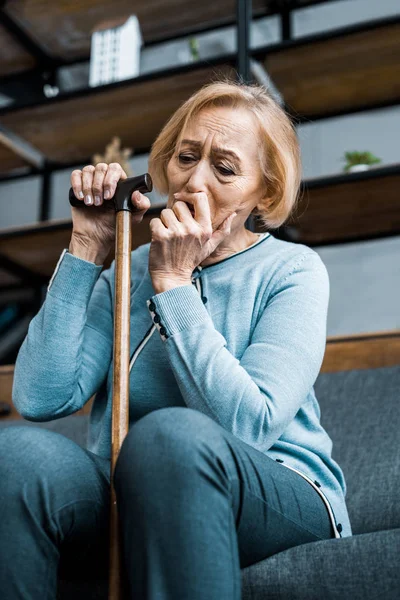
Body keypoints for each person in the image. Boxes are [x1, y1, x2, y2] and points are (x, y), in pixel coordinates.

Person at [0, 79, 352, 599]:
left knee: (169, 437)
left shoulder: (292, 270)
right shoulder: (131, 267)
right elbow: (39, 397)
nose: (194, 181)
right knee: (15, 456)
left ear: (267, 191)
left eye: (225, 168)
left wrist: (174, 286)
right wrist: (87, 248)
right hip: (134, 486)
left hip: (275, 488)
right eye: (186, 157)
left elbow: (249, 425)